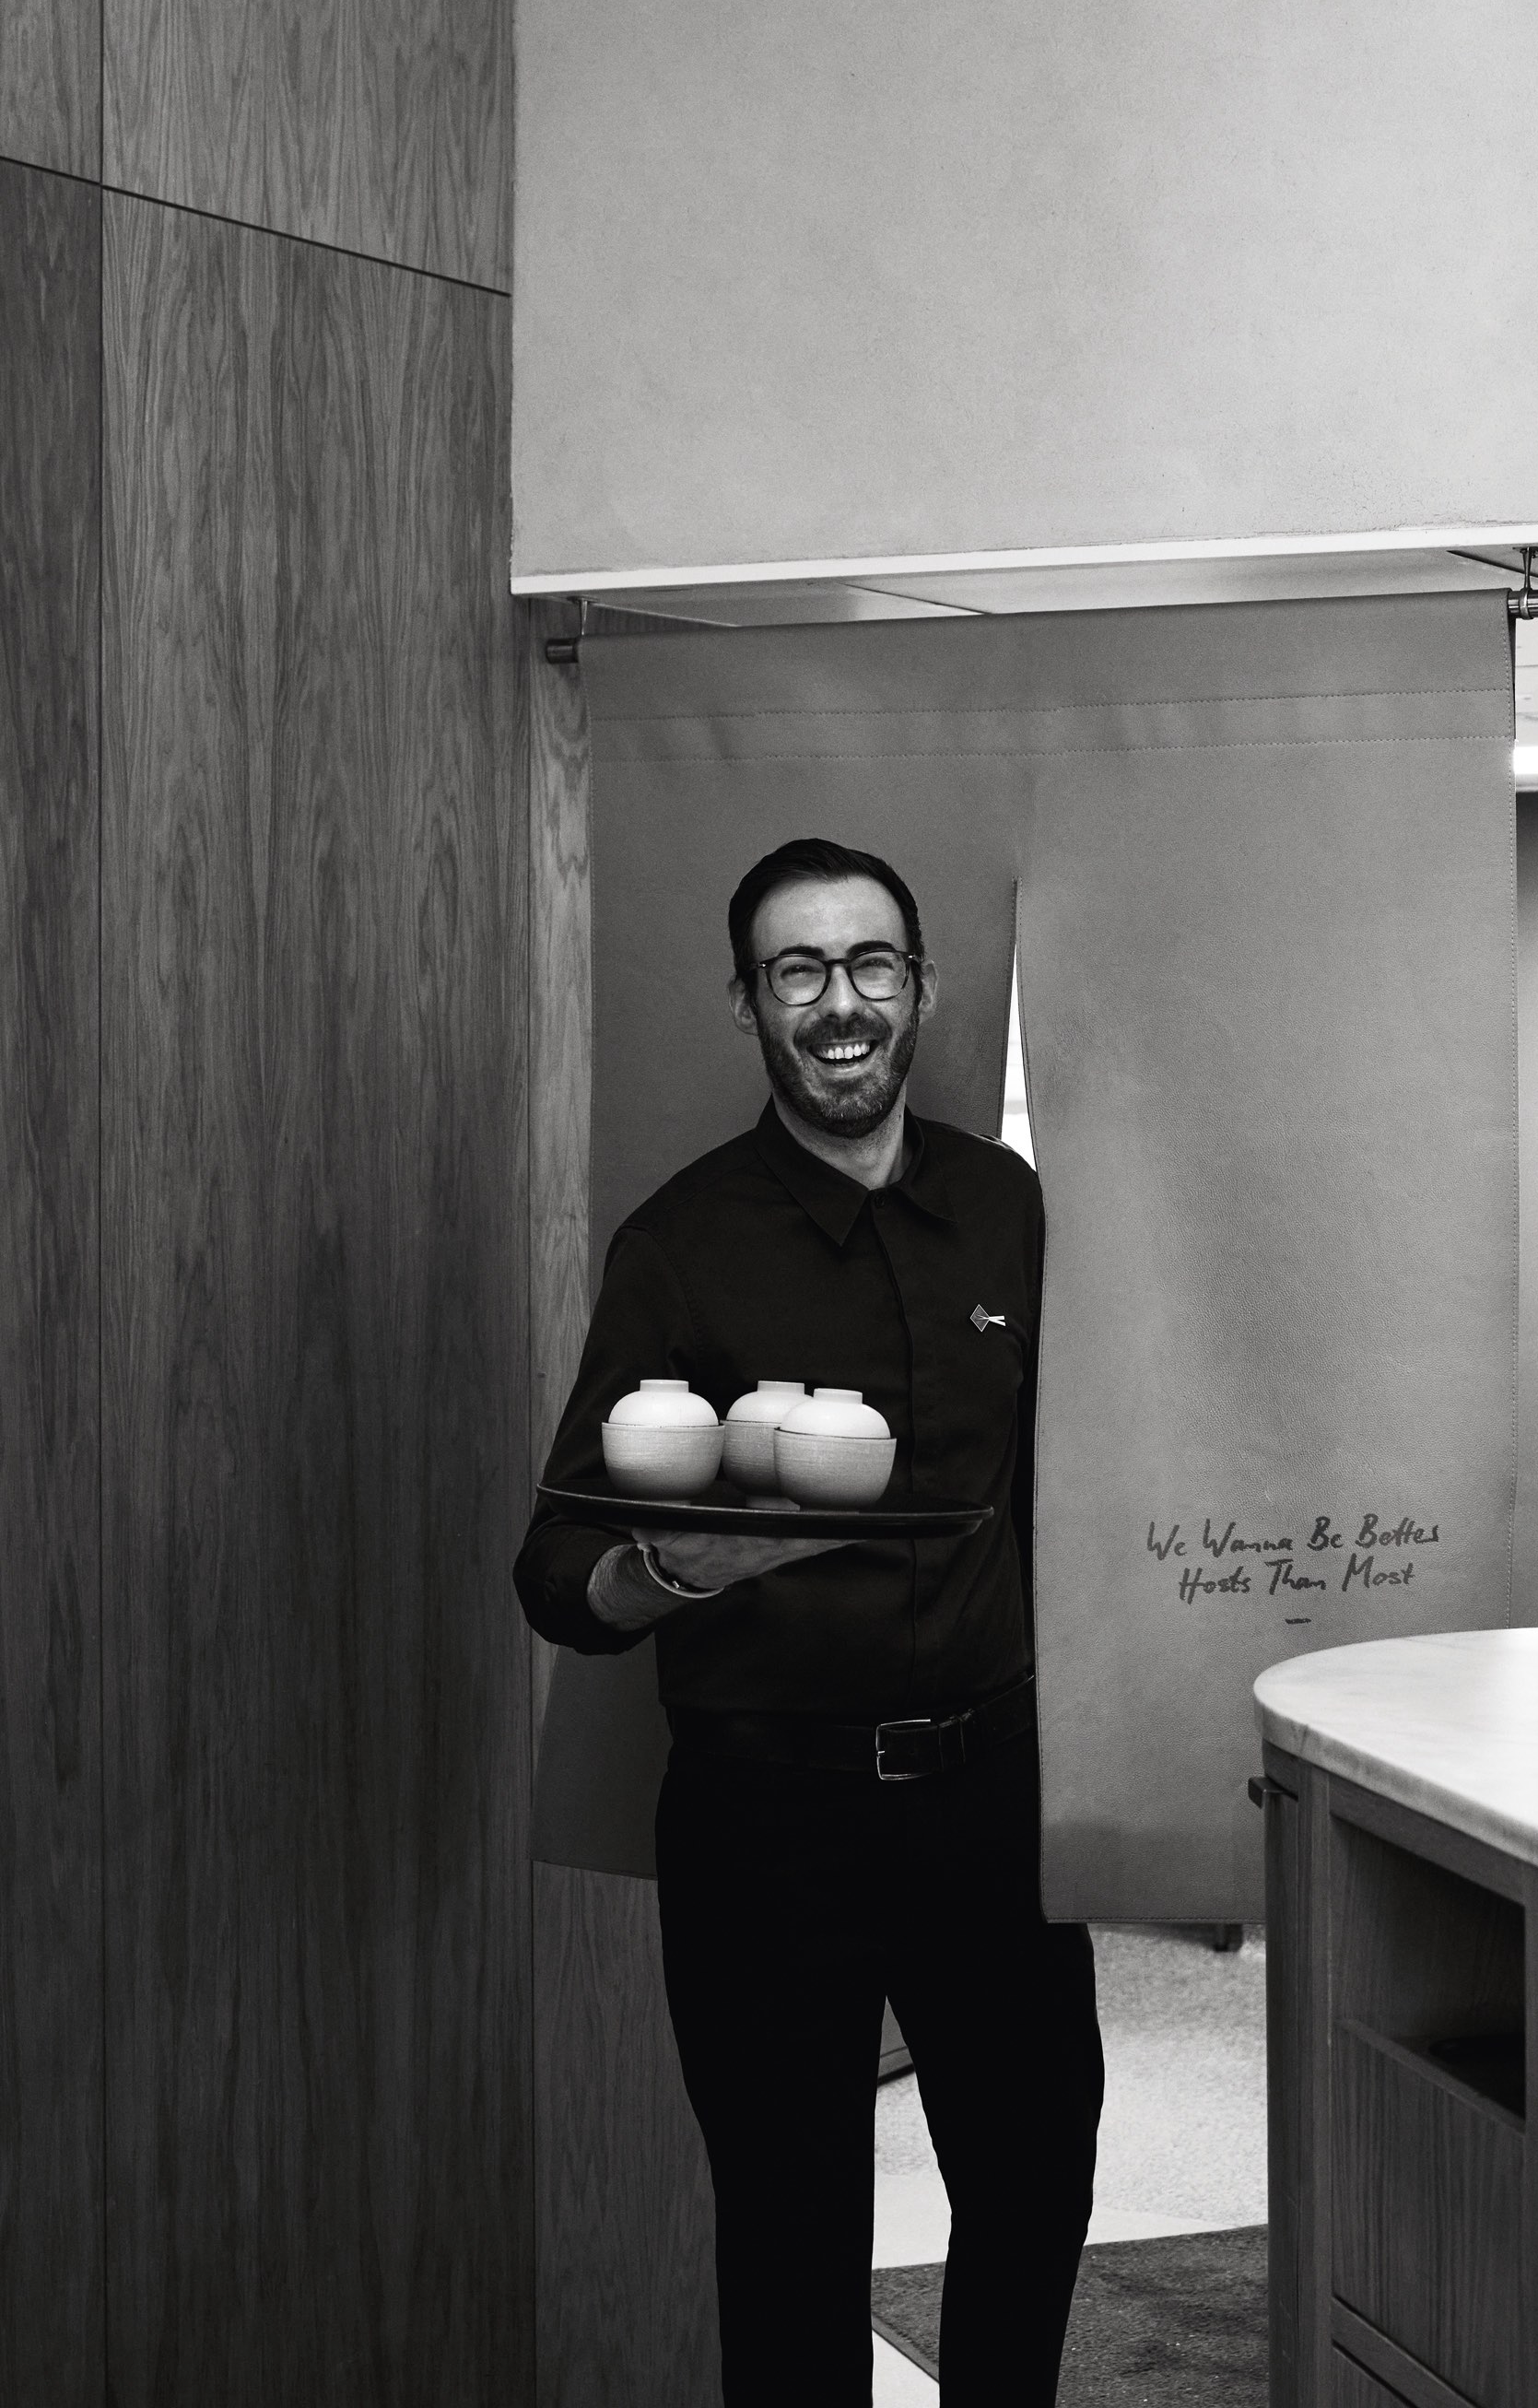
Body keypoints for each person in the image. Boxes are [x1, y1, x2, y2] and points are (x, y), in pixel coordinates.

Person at [515, 835, 1104, 2408]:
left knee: (1039, 2175)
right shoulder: (680, 1245)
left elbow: (1074, 1486)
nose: (841, 1005)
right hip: (767, 1817)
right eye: (799, 971)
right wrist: (673, 1572)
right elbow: (556, 1571)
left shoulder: (1007, 1208)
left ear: (922, 987)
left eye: (870, 965)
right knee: (790, 2240)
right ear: (748, 1002)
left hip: (993, 1800)